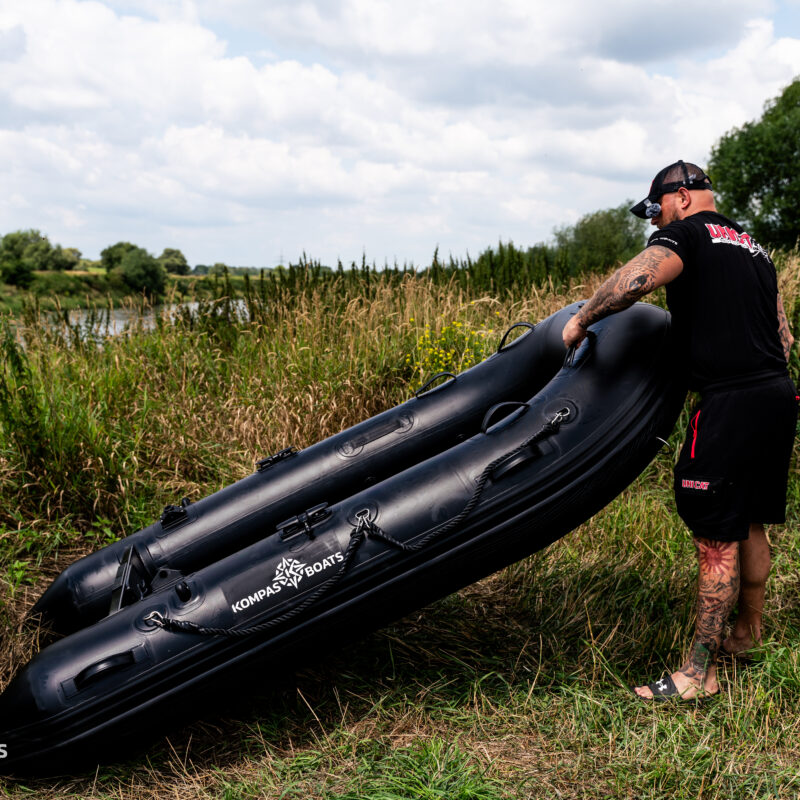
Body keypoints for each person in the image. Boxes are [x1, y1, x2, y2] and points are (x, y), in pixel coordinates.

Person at [562, 160, 797, 701]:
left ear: (683, 196)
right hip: (777, 396)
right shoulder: (754, 247)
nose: (653, 221)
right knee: (750, 520)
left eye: (656, 209)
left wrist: (582, 319)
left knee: (715, 537)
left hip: (729, 403)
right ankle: (747, 636)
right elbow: (783, 336)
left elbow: (636, 280)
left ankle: (698, 674)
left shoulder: (686, 233)